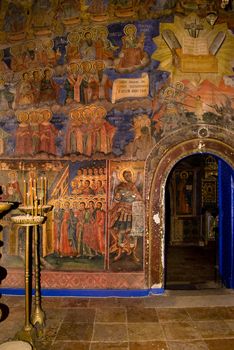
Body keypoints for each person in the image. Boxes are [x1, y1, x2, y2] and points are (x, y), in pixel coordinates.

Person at [109, 170, 142, 262]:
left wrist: (134, 196)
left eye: (129, 175)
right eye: (126, 175)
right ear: (123, 177)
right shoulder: (121, 186)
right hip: (123, 213)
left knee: (132, 234)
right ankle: (119, 253)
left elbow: (139, 198)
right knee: (121, 233)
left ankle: (133, 254)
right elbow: (117, 198)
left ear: (132, 176)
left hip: (132, 213)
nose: (128, 177)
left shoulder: (134, 187)